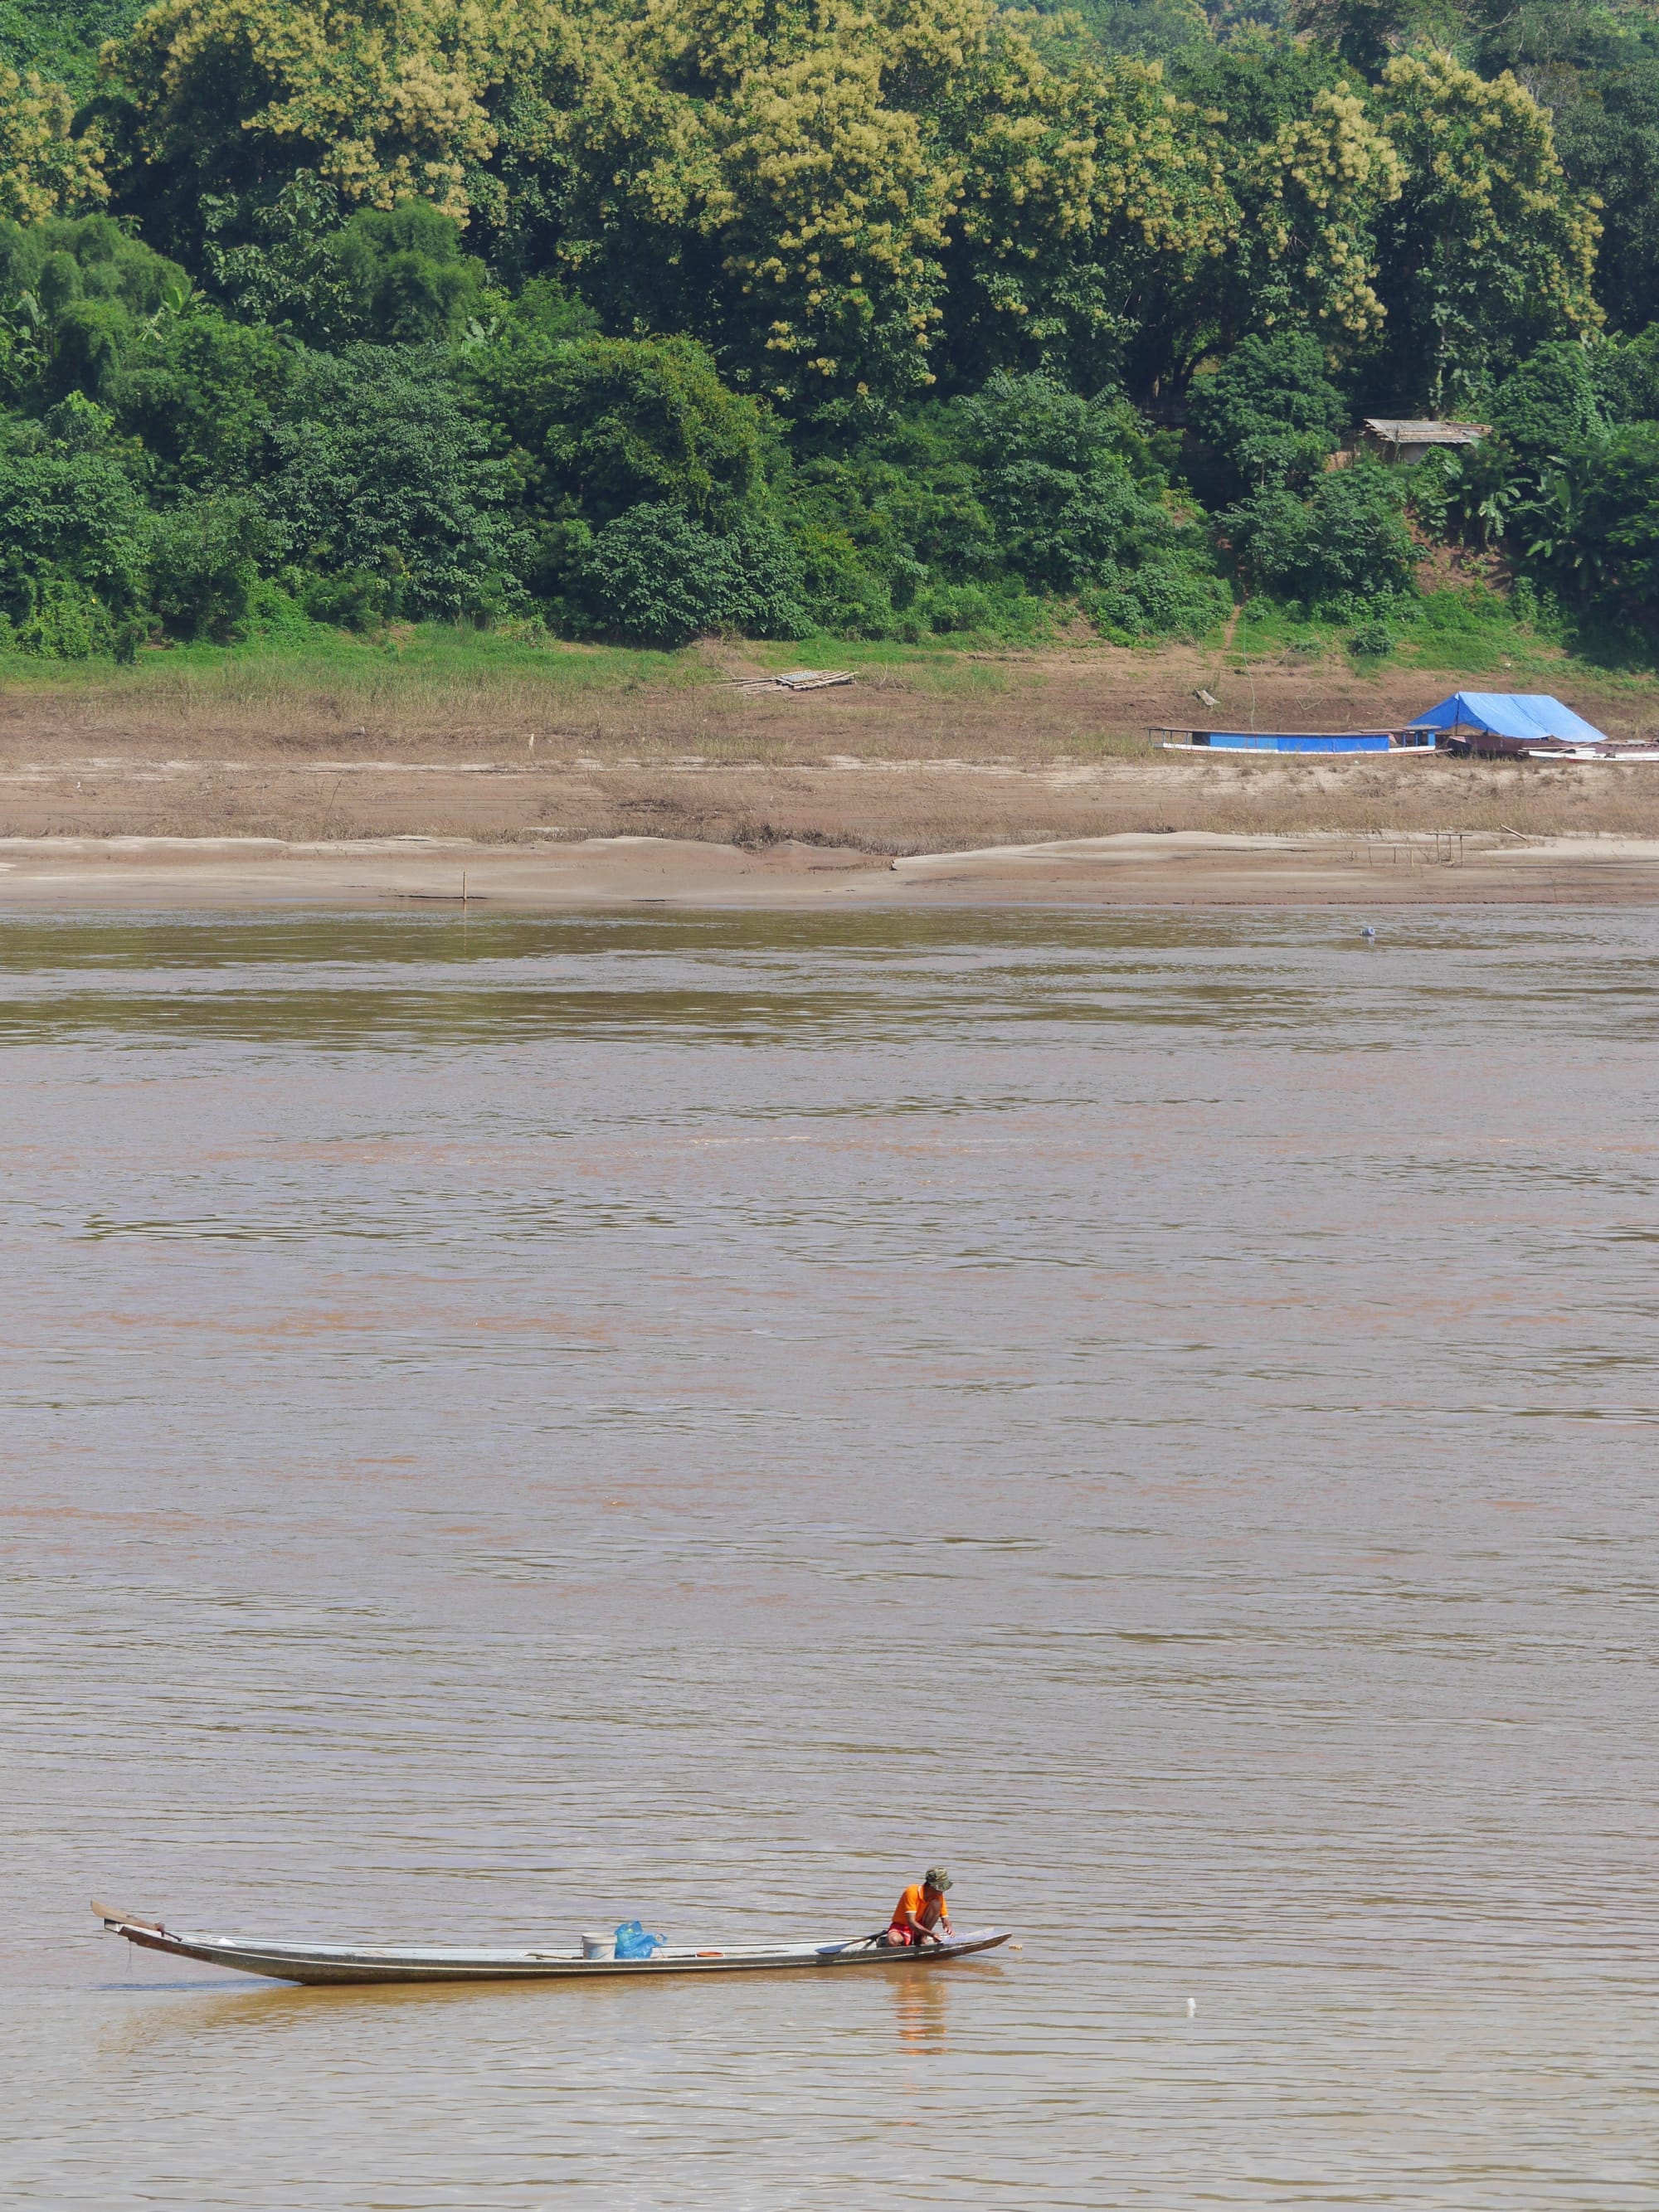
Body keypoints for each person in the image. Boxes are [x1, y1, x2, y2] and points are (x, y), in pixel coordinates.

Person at [883, 1867, 953, 1947]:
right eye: (941, 1888)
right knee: (893, 1940)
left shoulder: (938, 1895)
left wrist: (947, 1924)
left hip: (921, 1927)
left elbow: (945, 1918)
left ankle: (922, 1938)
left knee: (937, 1904)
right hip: (902, 1927)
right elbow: (911, 1922)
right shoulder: (912, 1891)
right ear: (931, 1887)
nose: (942, 1891)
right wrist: (932, 1934)